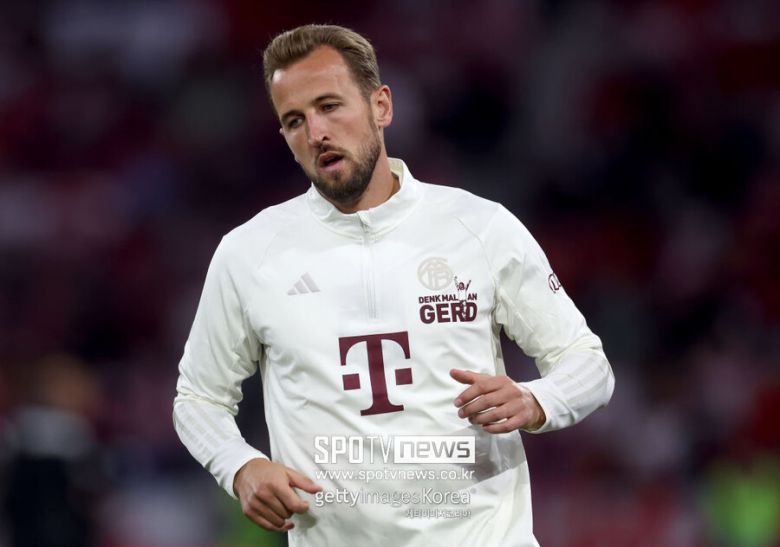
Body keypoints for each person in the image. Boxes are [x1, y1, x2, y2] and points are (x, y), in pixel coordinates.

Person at [173, 24, 615, 547]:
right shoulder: (250, 253)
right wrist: (240, 465)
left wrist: (535, 399)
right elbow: (197, 397)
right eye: (295, 120)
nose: (316, 133)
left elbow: (588, 364)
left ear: (381, 106)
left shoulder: (480, 228)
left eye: (330, 106)